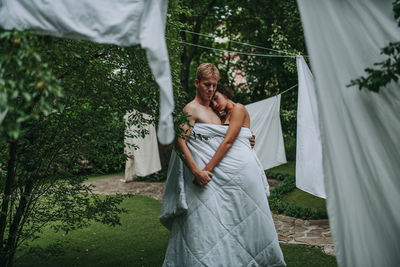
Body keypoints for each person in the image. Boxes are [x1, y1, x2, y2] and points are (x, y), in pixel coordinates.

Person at [161, 63, 286, 266]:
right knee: (201, 228)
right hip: (203, 179)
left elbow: (225, 138)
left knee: (225, 227)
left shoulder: (215, 110)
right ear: (196, 83)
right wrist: (196, 171)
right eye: (206, 85)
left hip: (222, 181)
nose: (211, 89)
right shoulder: (191, 109)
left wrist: (246, 138)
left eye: (214, 85)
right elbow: (179, 141)